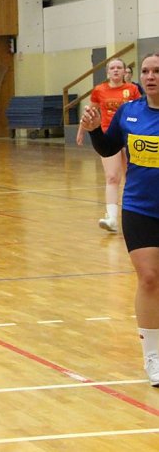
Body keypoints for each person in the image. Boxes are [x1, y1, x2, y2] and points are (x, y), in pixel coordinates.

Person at [81, 52, 159, 386]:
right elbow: (108, 147)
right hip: (140, 209)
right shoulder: (130, 111)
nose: (150, 76)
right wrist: (96, 129)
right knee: (149, 279)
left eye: (156, 70)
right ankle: (153, 357)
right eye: (145, 71)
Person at [76, 58, 141, 232]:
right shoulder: (99, 90)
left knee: (132, 177)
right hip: (108, 136)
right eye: (112, 68)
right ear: (107, 72)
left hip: (129, 137)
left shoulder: (132, 90)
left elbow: (141, 110)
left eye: (119, 67)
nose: (116, 70)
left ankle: (134, 214)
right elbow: (90, 111)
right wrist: (82, 130)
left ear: (125, 71)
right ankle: (111, 217)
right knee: (112, 177)